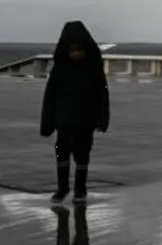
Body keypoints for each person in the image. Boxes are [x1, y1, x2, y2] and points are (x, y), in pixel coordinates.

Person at [40, 20, 110, 204]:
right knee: (61, 153)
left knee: (82, 155)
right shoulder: (59, 69)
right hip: (64, 120)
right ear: (66, 50)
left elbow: (102, 94)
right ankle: (62, 188)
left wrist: (102, 118)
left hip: (86, 121)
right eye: (73, 50)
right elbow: (50, 96)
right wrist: (47, 122)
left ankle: (80, 189)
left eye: (80, 49)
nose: (77, 53)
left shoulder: (93, 68)